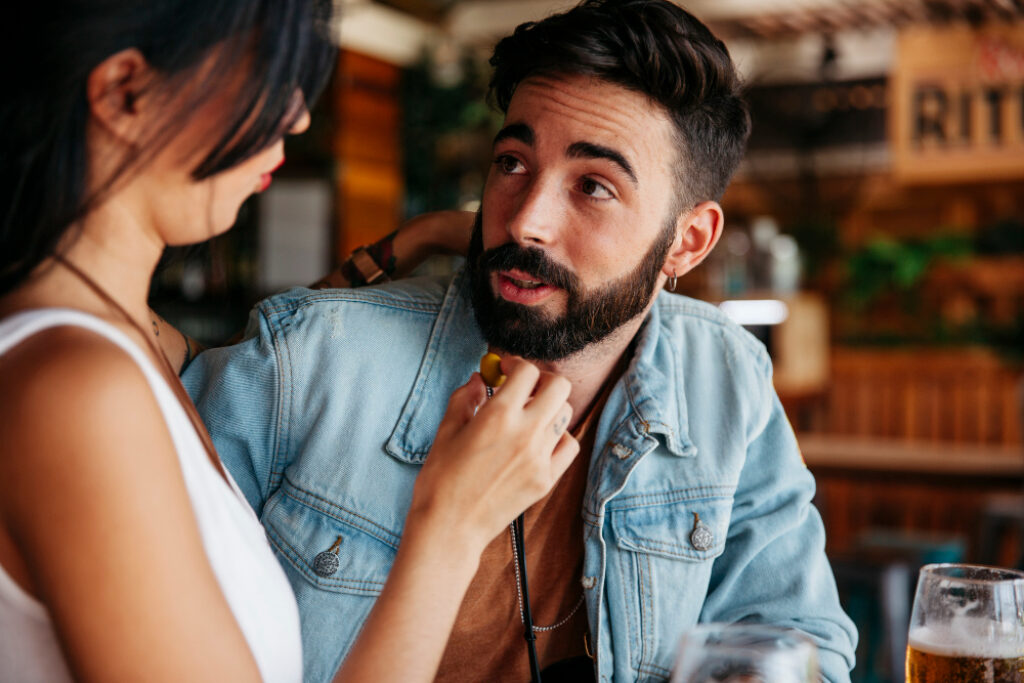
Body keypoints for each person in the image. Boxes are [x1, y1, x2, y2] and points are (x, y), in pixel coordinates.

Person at [185, 0, 859, 680]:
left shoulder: (725, 378)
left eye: (593, 186)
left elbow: (803, 639)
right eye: (512, 162)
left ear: (686, 242)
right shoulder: (308, 363)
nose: (526, 221)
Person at [0, 2, 578, 681]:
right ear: (126, 91)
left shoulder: (118, 334)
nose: (297, 115)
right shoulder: (78, 390)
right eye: (266, 75)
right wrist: (450, 525)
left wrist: (419, 239)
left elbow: (281, 334)